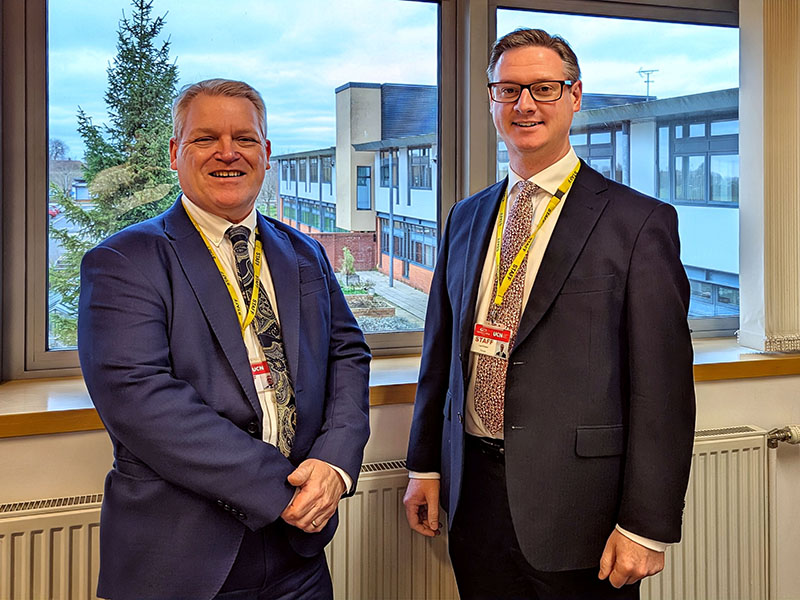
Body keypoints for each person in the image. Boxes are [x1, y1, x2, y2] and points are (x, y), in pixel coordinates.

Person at [403, 29, 695, 599]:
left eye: (543, 88)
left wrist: (645, 525)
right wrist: (426, 465)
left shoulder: (637, 223)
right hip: (474, 492)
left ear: (575, 95)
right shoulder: (465, 216)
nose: (525, 105)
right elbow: (440, 355)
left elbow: (662, 389)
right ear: (491, 100)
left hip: (579, 505)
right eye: (508, 90)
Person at [78, 78, 371, 600]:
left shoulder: (304, 253)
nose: (227, 153)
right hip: (181, 557)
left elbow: (348, 353)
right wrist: (278, 491)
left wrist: (334, 462)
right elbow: (141, 398)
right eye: (205, 138)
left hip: (298, 556)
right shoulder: (125, 260)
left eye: (245, 139)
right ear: (175, 152)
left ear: (267, 152)